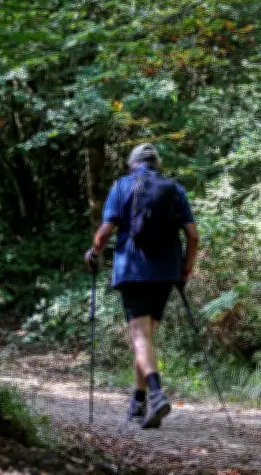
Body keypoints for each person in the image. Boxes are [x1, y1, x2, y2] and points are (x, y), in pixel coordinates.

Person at [84, 143, 199, 429]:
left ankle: (157, 395)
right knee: (145, 337)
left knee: (139, 337)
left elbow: (106, 231)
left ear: (132, 164)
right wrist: (185, 269)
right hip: (166, 271)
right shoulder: (174, 188)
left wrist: (94, 253)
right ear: (157, 163)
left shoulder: (122, 186)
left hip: (133, 270)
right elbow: (193, 236)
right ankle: (138, 402)